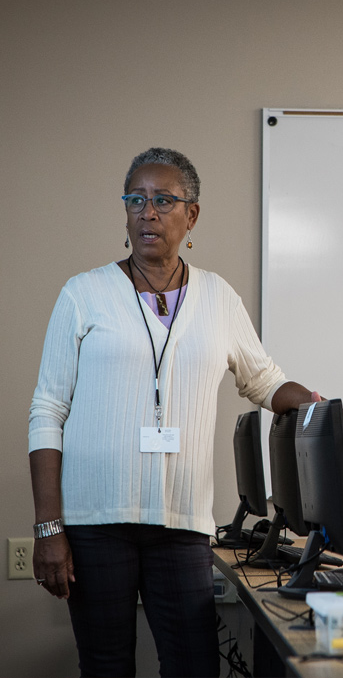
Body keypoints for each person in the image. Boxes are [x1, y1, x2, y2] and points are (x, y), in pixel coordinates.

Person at [28, 147, 324, 678]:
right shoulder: (84, 293)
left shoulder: (218, 297)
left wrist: (313, 404)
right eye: (136, 199)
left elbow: (265, 381)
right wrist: (49, 528)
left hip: (182, 524)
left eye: (164, 200)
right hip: (96, 522)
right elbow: (47, 411)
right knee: (105, 665)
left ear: (192, 215)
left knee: (192, 665)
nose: (149, 212)